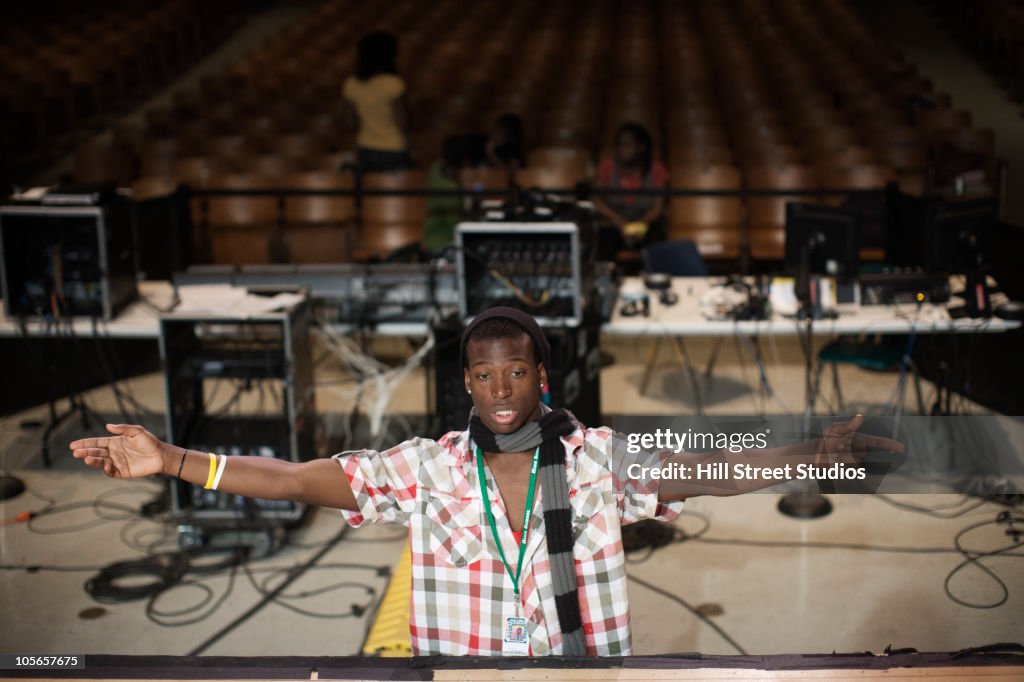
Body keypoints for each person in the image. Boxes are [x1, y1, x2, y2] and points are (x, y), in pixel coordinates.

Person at [69, 307, 902, 657]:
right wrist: (175, 460)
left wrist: (813, 456)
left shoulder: (596, 458)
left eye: (516, 374)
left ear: (541, 376)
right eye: (483, 376)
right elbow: (297, 479)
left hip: (582, 671)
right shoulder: (426, 468)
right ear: (466, 383)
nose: (500, 391)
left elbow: (713, 473)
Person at [593, 122, 669, 259]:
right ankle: (603, 277)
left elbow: (657, 209)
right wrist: (618, 221)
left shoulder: (656, 170)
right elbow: (596, 200)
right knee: (602, 239)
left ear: (641, 147)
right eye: (619, 145)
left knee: (657, 238)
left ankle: (656, 278)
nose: (621, 149)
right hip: (614, 224)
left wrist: (638, 226)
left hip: (645, 224)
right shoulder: (607, 167)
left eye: (627, 145)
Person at [342, 31, 412, 172]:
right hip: (393, 148)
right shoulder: (393, 83)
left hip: (365, 148)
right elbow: (402, 121)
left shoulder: (350, 84)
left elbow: (350, 122)